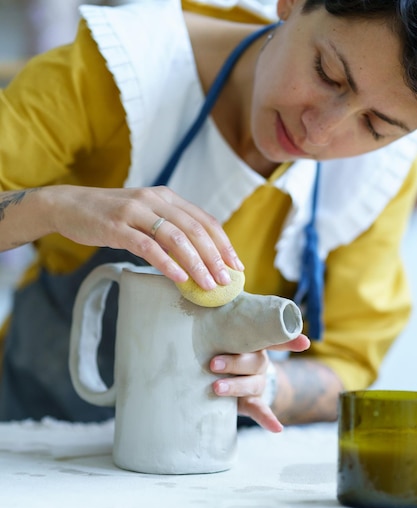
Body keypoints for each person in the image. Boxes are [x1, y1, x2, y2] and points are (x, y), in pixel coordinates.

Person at [0, 0, 417, 430]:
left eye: (374, 126)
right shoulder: (126, 65)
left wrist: (268, 385)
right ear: (290, 4)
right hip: (35, 434)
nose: (319, 131)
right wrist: (53, 206)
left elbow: (348, 363)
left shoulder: (380, 174)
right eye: (327, 73)